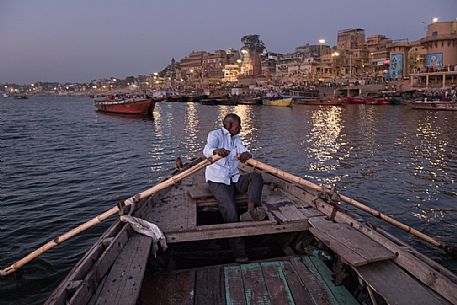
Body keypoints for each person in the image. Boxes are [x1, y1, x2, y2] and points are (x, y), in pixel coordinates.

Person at [203, 113, 264, 263]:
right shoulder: (215, 135)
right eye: (239, 125)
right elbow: (207, 150)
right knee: (230, 209)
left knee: (256, 177)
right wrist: (216, 152)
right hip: (218, 180)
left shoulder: (236, 139)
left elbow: (242, 149)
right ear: (230, 126)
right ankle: (239, 254)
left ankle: (250, 211)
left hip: (233, 178)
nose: (241, 128)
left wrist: (246, 154)